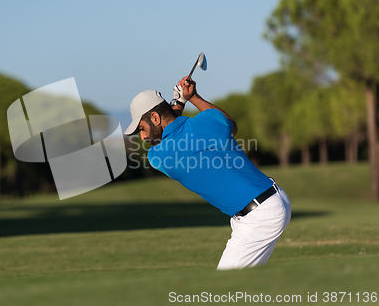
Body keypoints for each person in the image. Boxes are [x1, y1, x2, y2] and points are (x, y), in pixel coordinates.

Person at [124, 76, 291, 270]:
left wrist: (178, 103)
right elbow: (230, 125)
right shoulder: (208, 120)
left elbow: (173, 130)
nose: (143, 137)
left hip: (259, 216)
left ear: (154, 118)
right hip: (272, 200)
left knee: (224, 290)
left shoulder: (158, 156)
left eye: (142, 129)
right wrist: (193, 97)